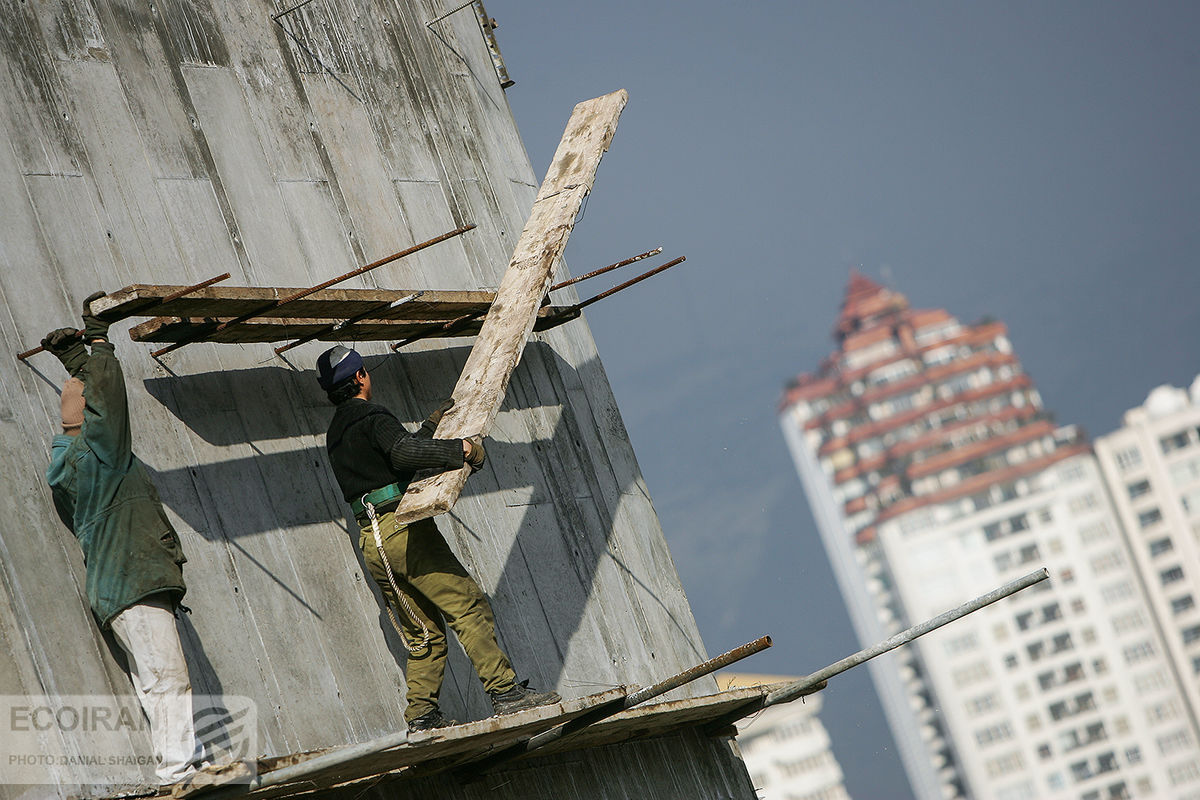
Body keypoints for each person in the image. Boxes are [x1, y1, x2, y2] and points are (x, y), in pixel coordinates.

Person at [316, 345, 559, 731]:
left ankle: (421, 716)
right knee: (467, 604)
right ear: (361, 376)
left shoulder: (337, 433)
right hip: (404, 532)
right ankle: (506, 693)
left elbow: (387, 460)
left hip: (373, 541)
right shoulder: (372, 414)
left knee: (424, 632)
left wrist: (428, 432)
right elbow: (403, 453)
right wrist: (460, 448)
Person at [42, 293, 199, 786]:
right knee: (168, 679)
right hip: (134, 583)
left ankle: (181, 762)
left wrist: (73, 363)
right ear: (90, 422)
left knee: (156, 683)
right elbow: (108, 399)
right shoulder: (102, 454)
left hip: (116, 590)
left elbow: (89, 411)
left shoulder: (67, 469)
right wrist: (96, 344)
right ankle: (178, 769)